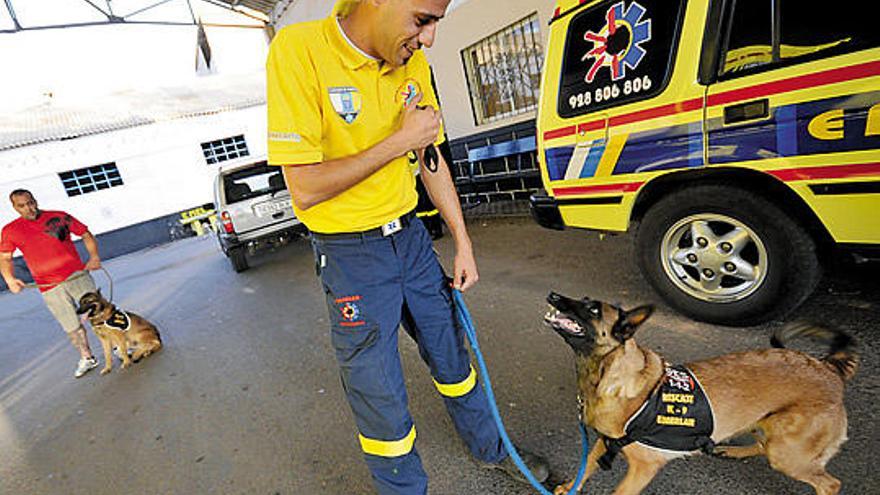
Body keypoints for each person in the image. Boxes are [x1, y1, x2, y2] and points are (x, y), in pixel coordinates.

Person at [266, 1, 548, 493]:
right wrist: (399, 141)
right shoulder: (299, 50)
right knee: (378, 391)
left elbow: (429, 156)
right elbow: (306, 187)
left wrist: (463, 241)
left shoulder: (411, 60)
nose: (430, 39)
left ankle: (491, 448)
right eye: (422, 19)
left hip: (412, 241)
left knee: (453, 358)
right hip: (351, 256)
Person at [1, 189, 103, 378]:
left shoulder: (59, 217)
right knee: (71, 325)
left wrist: (94, 257)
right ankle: (87, 357)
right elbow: (5, 258)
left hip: (76, 276)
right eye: (22, 206)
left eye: (30, 202)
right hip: (48, 286)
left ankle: (117, 347)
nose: (29, 208)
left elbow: (86, 234)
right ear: (14, 207)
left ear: (35, 200)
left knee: (99, 313)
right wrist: (9, 279)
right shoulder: (10, 230)